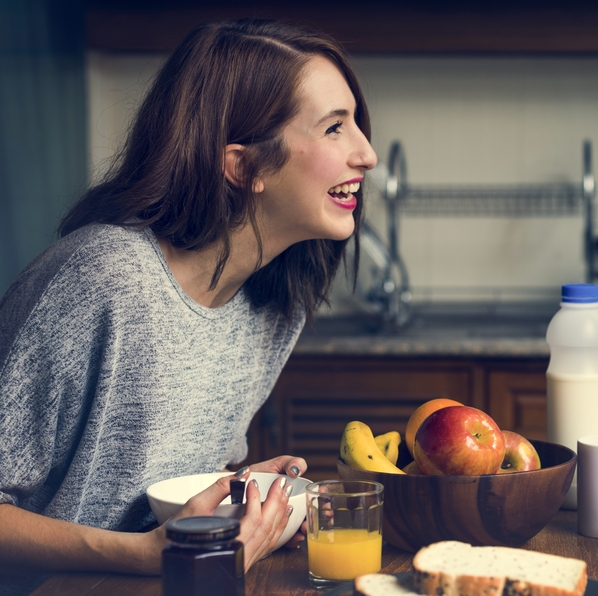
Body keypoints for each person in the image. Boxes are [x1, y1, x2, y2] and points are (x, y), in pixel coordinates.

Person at [0, 19, 376, 595]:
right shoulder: (102, 280)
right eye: (334, 128)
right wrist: (149, 554)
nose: (367, 154)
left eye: (356, 124)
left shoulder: (274, 305)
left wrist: (233, 493)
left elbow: (153, 487)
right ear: (242, 165)